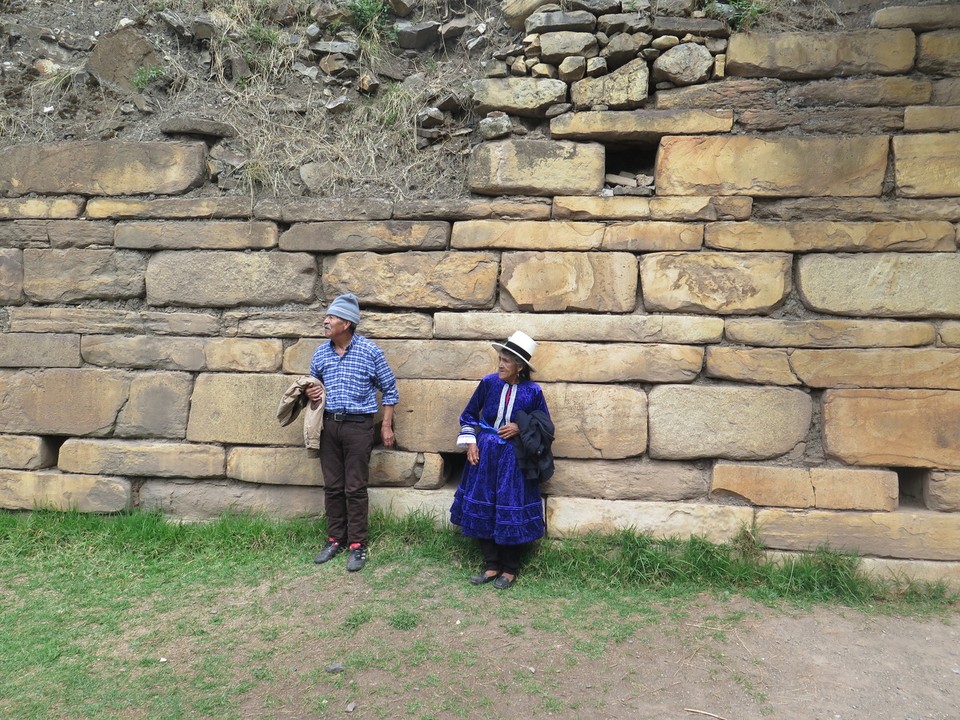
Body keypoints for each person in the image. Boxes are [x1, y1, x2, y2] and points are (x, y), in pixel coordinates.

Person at [450, 331, 554, 590]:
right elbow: (469, 415)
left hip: (514, 459)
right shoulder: (488, 383)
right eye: (500, 359)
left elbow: (545, 425)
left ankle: (509, 569)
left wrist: (520, 426)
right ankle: (491, 565)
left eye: (506, 361)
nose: (500, 365)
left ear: (519, 366)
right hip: (486, 453)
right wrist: (471, 441)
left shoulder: (533, 392)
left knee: (510, 506)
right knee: (486, 504)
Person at [307, 293, 399, 572]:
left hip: (359, 426)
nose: (326, 321)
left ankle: (357, 545)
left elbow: (391, 390)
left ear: (346, 323)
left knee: (355, 487)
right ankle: (335, 539)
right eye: (327, 317)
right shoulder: (321, 353)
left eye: (331, 317)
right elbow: (313, 388)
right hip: (329, 426)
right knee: (332, 487)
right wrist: (311, 391)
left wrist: (385, 425)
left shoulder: (371, 352)